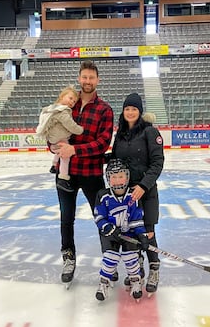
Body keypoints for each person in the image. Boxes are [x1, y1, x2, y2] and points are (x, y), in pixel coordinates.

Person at [54, 60, 114, 285]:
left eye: (92, 78)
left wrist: (74, 150)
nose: (87, 81)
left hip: (91, 173)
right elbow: (52, 130)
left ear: (97, 81)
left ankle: (109, 259)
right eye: (84, 77)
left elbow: (102, 144)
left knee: (102, 218)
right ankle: (68, 259)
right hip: (65, 173)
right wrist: (54, 147)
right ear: (79, 78)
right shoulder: (67, 105)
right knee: (66, 219)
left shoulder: (105, 110)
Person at [110, 92, 164, 294]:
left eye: (134, 109)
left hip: (146, 192)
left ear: (140, 112)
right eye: (127, 109)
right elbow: (115, 158)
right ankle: (138, 267)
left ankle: (154, 269)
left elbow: (157, 163)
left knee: (148, 233)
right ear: (123, 112)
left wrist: (143, 186)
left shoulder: (150, 132)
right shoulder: (121, 134)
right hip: (126, 195)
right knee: (132, 232)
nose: (130, 112)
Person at [94, 159, 149, 301]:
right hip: (110, 234)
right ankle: (103, 283)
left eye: (120, 176)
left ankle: (136, 281)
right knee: (110, 258)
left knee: (131, 258)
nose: (117, 180)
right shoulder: (103, 195)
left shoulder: (133, 195)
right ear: (108, 178)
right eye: (113, 176)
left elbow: (137, 218)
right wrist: (108, 227)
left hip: (128, 234)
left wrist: (142, 235)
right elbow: (99, 216)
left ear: (127, 176)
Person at [36, 86, 83, 193]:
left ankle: (53, 165)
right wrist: (80, 130)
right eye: (70, 98)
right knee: (65, 157)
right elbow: (70, 125)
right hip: (60, 137)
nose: (72, 102)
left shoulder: (51, 109)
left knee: (59, 150)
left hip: (53, 138)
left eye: (74, 101)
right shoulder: (62, 111)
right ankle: (63, 177)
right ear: (62, 96)